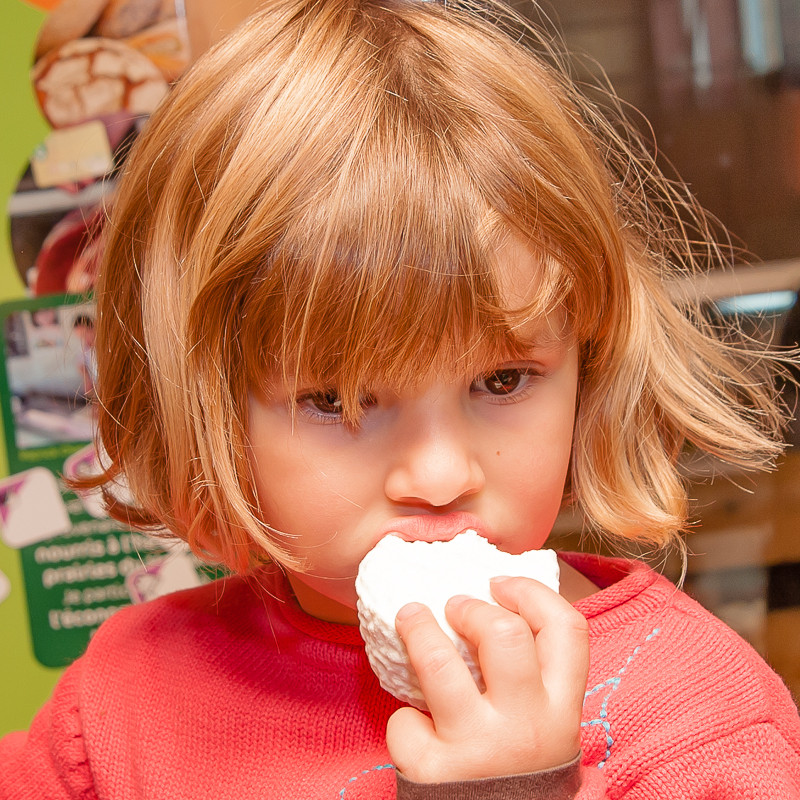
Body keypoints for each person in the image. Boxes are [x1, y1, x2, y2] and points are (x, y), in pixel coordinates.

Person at [2, 1, 799, 797]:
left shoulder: (698, 724)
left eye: (502, 381)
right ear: (203, 411)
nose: (441, 476)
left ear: (588, 367)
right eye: (338, 401)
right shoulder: (120, 706)